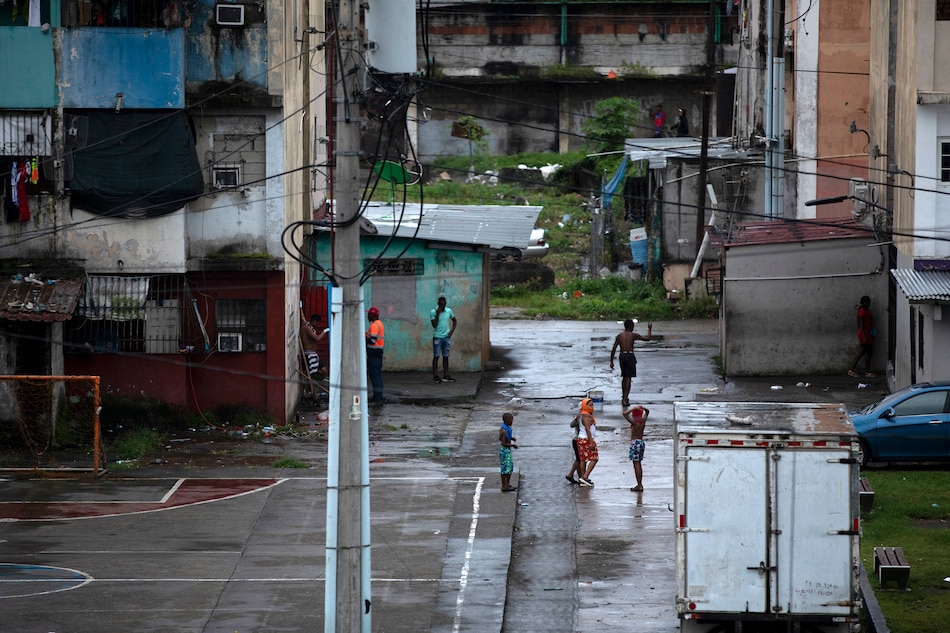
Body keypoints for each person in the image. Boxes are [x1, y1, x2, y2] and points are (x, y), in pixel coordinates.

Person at [609, 319, 653, 407]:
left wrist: (611, 360)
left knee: (624, 377)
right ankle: (625, 399)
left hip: (622, 356)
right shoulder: (633, 335)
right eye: (633, 326)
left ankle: (623, 397)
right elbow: (647, 339)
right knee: (628, 378)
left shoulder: (619, 336)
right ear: (630, 326)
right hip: (630, 356)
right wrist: (649, 329)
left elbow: (614, 348)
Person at [430, 296, 458, 383]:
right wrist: (437, 314)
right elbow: (434, 325)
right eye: (441, 304)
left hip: (446, 337)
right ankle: (435, 375)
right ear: (438, 304)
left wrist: (451, 332)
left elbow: (454, 321)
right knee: (436, 356)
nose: (443, 306)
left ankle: (446, 375)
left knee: (446, 356)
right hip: (437, 337)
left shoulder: (449, 311)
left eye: (444, 304)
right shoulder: (433, 312)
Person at [849, 296, 876, 378]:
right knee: (863, 351)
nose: (867, 304)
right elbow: (861, 324)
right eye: (865, 302)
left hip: (867, 333)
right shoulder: (862, 311)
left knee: (867, 351)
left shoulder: (866, 310)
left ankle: (866, 371)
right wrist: (864, 336)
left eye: (868, 302)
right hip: (864, 333)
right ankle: (855, 370)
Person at [623, 404, 650, 492]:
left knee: (636, 464)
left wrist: (633, 408)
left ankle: (639, 484)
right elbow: (648, 412)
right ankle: (639, 483)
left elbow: (625, 414)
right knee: (639, 463)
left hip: (635, 443)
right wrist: (643, 408)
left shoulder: (635, 423)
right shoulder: (642, 421)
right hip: (641, 442)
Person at [366, 306, 385, 405]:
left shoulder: (374, 326)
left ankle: (377, 398)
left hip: (373, 353)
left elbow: (372, 340)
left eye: (369, 314)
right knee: (378, 375)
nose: (367, 316)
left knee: (374, 375)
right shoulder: (380, 324)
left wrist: (365, 337)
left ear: (373, 315)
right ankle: (379, 396)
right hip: (379, 352)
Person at [300, 313, 328, 380]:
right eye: (317, 323)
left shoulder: (310, 328)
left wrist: (300, 308)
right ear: (314, 321)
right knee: (314, 373)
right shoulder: (307, 328)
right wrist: (324, 332)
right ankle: (311, 385)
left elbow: (302, 317)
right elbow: (317, 338)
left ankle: (314, 382)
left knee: (324, 371)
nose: (318, 325)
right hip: (309, 354)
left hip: (314, 354)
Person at [577, 398, 598, 487]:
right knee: (594, 458)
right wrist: (591, 442)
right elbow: (587, 429)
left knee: (583, 460)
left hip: (581, 439)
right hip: (586, 439)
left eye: (592, 405)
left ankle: (583, 478)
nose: (592, 407)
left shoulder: (582, 415)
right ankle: (585, 476)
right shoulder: (587, 416)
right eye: (590, 405)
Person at [499, 412, 518, 492]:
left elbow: (501, 438)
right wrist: (512, 445)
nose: (512, 422)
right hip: (505, 451)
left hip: (506, 451)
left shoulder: (505, 428)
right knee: (505, 469)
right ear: (507, 420)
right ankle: (504, 485)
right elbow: (503, 442)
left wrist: (511, 438)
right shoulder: (504, 430)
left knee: (509, 468)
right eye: (511, 420)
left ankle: (507, 484)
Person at [565, 411, 586, 485]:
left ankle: (572, 474)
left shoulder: (586, 416)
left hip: (580, 440)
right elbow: (572, 425)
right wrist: (576, 419)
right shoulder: (581, 417)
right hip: (578, 440)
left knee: (579, 459)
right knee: (580, 459)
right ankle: (581, 478)